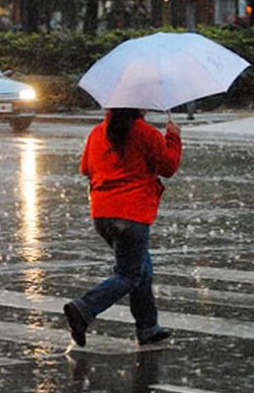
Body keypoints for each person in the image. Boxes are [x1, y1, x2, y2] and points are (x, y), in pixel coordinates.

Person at [63, 108, 182, 347]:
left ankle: (148, 328)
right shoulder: (145, 133)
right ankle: (85, 308)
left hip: (102, 214)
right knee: (129, 274)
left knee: (142, 269)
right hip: (132, 213)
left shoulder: (98, 132)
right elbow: (168, 167)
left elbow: (86, 168)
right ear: (138, 107)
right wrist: (173, 137)